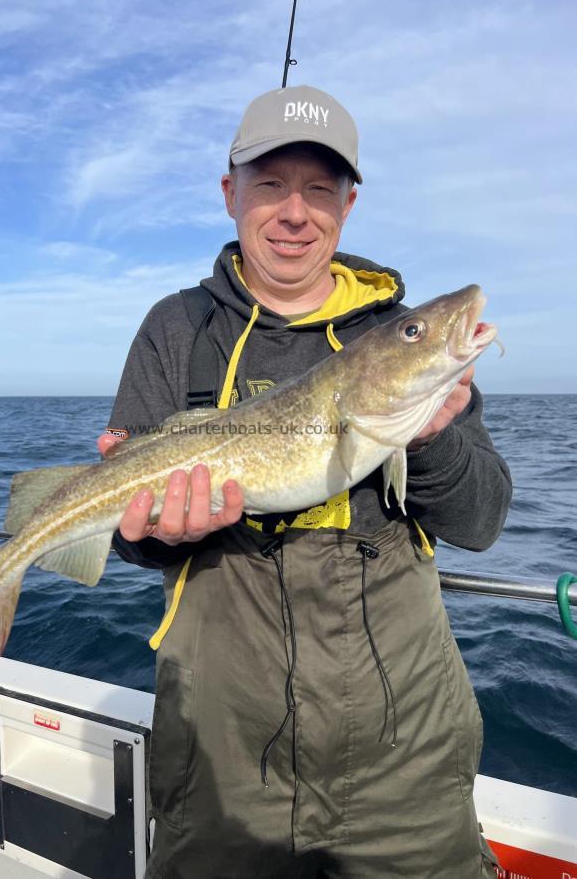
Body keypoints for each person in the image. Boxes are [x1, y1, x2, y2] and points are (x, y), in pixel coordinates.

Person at [97, 86, 511, 878]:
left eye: (320, 189)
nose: (295, 212)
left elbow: (483, 520)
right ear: (230, 196)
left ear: (348, 206)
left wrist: (427, 439)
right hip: (221, 762)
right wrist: (152, 530)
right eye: (270, 185)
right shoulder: (176, 331)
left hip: (405, 764)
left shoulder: (397, 343)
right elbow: (130, 541)